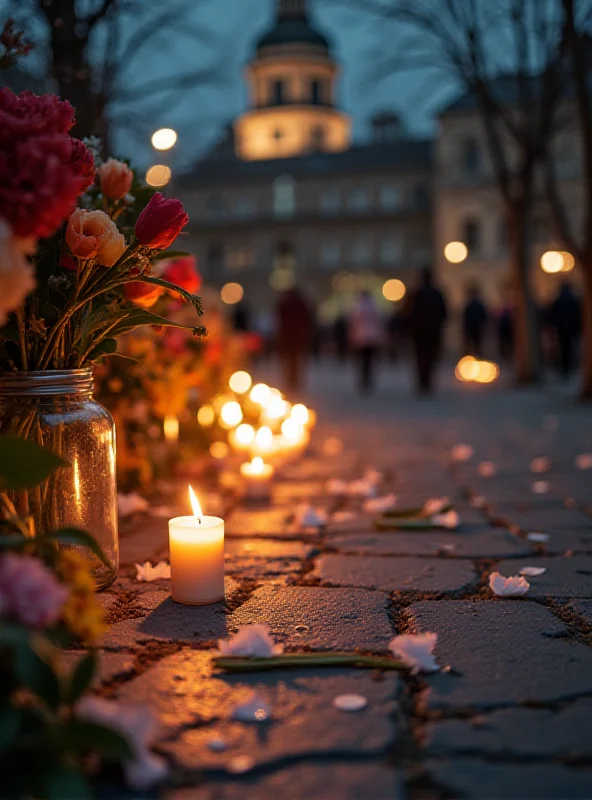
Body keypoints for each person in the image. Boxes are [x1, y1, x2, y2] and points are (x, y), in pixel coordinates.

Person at [405, 267, 448, 394]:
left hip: (419, 332)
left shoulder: (416, 293)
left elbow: (408, 313)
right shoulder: (437, 293)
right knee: (431, 355)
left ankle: (422, 380)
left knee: (420, 356)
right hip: (433, 331)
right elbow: (444, 312)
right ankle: (427, 380)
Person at [276, 286, 314, 393]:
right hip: (299, 335)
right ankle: (295, 379)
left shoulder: (284, 302)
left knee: (287, 359)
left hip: (286, 335)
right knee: (296, 358)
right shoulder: (302, 303)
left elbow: (279, 316)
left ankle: (289, 379)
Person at [348, 291, 384, 393]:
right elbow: (379, 323)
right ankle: (368, 378)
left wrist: (352, 337)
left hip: (360, 337)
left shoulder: (358, 308)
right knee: (370, 360)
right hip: (372, 337)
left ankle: (363, 378)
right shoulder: (375, 307)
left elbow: (353, 323)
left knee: (362, 360)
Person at [547, 281, 581, 378]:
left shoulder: (558, 300)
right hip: (571, 328)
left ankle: (565, 367)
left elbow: (553, 315)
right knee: (571, 347)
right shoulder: (573, 299)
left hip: (561, 329)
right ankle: (570, 366)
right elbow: (577, 314)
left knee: (564, 348)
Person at [462, 283, 488, 357]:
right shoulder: (477, 304)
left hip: (473, 327)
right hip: (475, 328)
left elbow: (465, 317)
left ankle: (472, 357)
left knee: (473, 345)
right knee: (476, 345)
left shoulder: (471, 304)